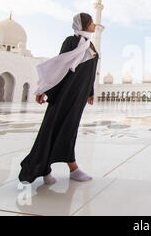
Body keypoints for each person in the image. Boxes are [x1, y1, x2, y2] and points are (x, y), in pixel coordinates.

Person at [18, 13, 98, 185]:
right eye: (91, 22)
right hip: (64, 95)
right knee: (52, 129)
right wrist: (45, 89)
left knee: (69, 129)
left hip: (78, 97)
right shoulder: (71, 42)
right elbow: (58, 68)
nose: (95, 24)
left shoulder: (90, 46)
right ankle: (66, 168)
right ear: (84, 24)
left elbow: (91, 73)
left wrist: (90, 92)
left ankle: (52, 168)